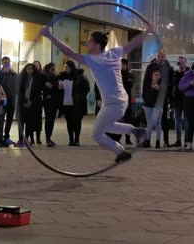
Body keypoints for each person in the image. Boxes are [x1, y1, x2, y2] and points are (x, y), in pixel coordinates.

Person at [41, 25, 150, 163]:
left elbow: (69, 52)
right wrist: (146, 32)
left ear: (97, 45)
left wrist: (49, 36)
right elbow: (132, 45)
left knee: (96, 134)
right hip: (119, 101)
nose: (87, 43)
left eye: (89, 41)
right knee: (108, 126)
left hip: (113, 104)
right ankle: (137, 131)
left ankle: (121, 152)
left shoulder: (93, 59)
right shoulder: (114, 53)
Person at [143, 50, 174, 148]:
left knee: (163, 121)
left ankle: (165, 141)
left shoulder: (169, 68)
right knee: (149, 122)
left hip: (163, 99)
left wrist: (169, 99)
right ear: (156, 57)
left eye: (162, 56)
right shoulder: (150, 67)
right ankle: (147, 141)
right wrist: (145, 97)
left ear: (165, 57)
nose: (160, 58)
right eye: (158, 56)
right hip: (150, 99)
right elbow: (145, 83)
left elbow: (171, 85)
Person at [15, 63, 42, 147]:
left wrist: (31, 102)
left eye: (31, 69)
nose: (30, 70)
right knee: (21, 122)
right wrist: (23, 102)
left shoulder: (37, 79)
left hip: (32, 104)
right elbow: (19, 92)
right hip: (22, 104)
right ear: (26, 70)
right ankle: (20, 139)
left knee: (29, 123)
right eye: (28, 69)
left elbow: (38, 93)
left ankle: (26, 139)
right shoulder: (21, 79)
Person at [0, 56, 20, 146]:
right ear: (2, 63)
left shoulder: (13, 74)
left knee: (9, 119)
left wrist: (15, 74)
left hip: (12, 100)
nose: (6, 63)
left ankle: (6, 137)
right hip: (2, 100)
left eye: (8, 62)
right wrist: (3, 73)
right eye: (4, 62)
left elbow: (18, 84)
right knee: (0, 119)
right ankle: (0, 139)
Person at [41, 62, 62, 147]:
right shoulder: (44, 77)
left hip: (54, 101)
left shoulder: (55, 77)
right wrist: (54, 87)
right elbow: (49, 87)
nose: (53, 71)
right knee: (48, 120)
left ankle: (49, 138)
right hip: (48, 102)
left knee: (52, 120)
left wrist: (54, 86)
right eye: (52, 69)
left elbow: (58, 87)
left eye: (54, 69)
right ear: (48, 69)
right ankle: (47, 139)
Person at [142, 67, 163, 148]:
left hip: (157, 107)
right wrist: (145, 103)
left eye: (158, 75)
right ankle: (148, 141)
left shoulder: (162, 85)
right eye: (155, 75)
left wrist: (158, 90)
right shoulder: (147, 84)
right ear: (152, 75)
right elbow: (144, 94)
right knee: (149, 124)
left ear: (160, 76)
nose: (156, 76)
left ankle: (158, 142)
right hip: (148, 106)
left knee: (158, 124)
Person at [171, 56, 189, 147]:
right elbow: (175, 84)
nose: (181, 64)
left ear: (186, 62)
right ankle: (178, 140)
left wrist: (185, 73)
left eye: (183, 62)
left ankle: (186, 140)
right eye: (180, 62)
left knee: (186, 121)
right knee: (177, 120)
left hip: (186, 99)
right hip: (177, 99)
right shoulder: (176, 73)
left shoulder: (189, 72)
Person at [121, 58, 135, 145]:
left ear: (127, 65)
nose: (121, 66)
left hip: (127, 101)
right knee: (118, 120)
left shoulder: (131, 75)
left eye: (123, 64)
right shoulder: (117, 75)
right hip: (119, 101)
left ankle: (127, 139)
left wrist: (123, 82)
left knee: (128, 120)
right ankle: (116, 138)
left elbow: (129, 85)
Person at [31, 60, 44, 144]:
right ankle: (31, 138)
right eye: (34, 65)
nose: (35, 67)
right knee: (30, 119)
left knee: (38, 119)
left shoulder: (41, 76)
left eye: (37, 65)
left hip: (38, 100)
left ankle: (38, 137)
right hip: (30, 100)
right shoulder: (29, 76)